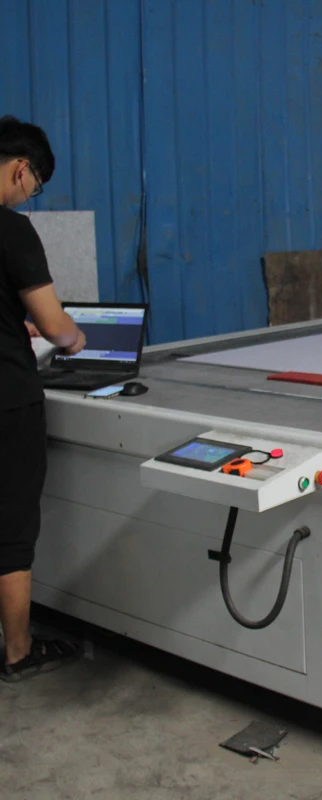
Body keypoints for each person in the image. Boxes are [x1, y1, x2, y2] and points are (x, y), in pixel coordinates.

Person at [0, 115, 86, 681]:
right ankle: (18, 652)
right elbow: (55, 325)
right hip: (7, 401)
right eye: (34, 187)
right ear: (21, 168)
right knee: (12, 528)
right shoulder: (12, 231)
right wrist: (74, 339)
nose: (28, 196)